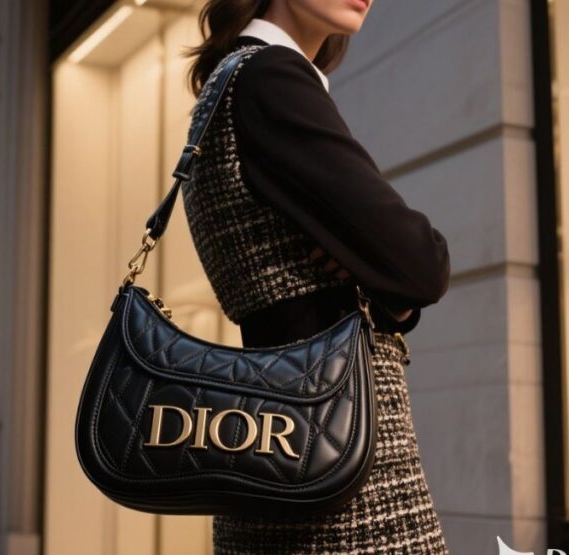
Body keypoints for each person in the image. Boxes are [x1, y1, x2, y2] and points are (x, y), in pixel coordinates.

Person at [181, 1, 451, 553]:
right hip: (338, 471)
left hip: (275, 452)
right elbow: (422, 264)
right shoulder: (270, 79)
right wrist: (380, 277)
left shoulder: (228, 87)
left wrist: (375, 277)